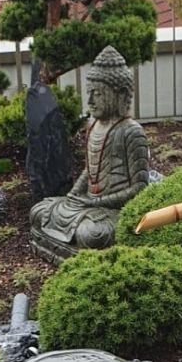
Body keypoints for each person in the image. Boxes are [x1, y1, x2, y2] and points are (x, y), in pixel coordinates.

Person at [30, 46, 149, 258]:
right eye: (90, 93)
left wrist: (96, 202)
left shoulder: (131, 132)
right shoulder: (93, 126)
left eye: (98, 94)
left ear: (120, 94)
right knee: (40, 210)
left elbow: (139, 187)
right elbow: (89, 169)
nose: (91, 101)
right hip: (88, 203)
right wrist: (74, 194)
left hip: (114, 209)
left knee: (93, 235)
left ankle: (77, 247)